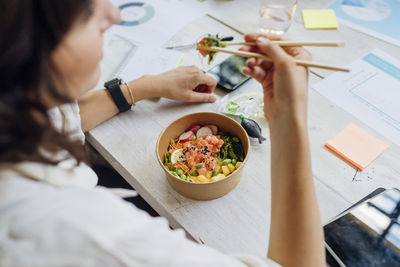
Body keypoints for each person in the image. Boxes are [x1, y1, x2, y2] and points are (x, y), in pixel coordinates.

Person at [0, 0, 324, 266]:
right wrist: (288, 116)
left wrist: (142, 88)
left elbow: (59, 119)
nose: (114, 14)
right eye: (86, 11)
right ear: (23, 44)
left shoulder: (15, 109)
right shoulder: (96, 237)